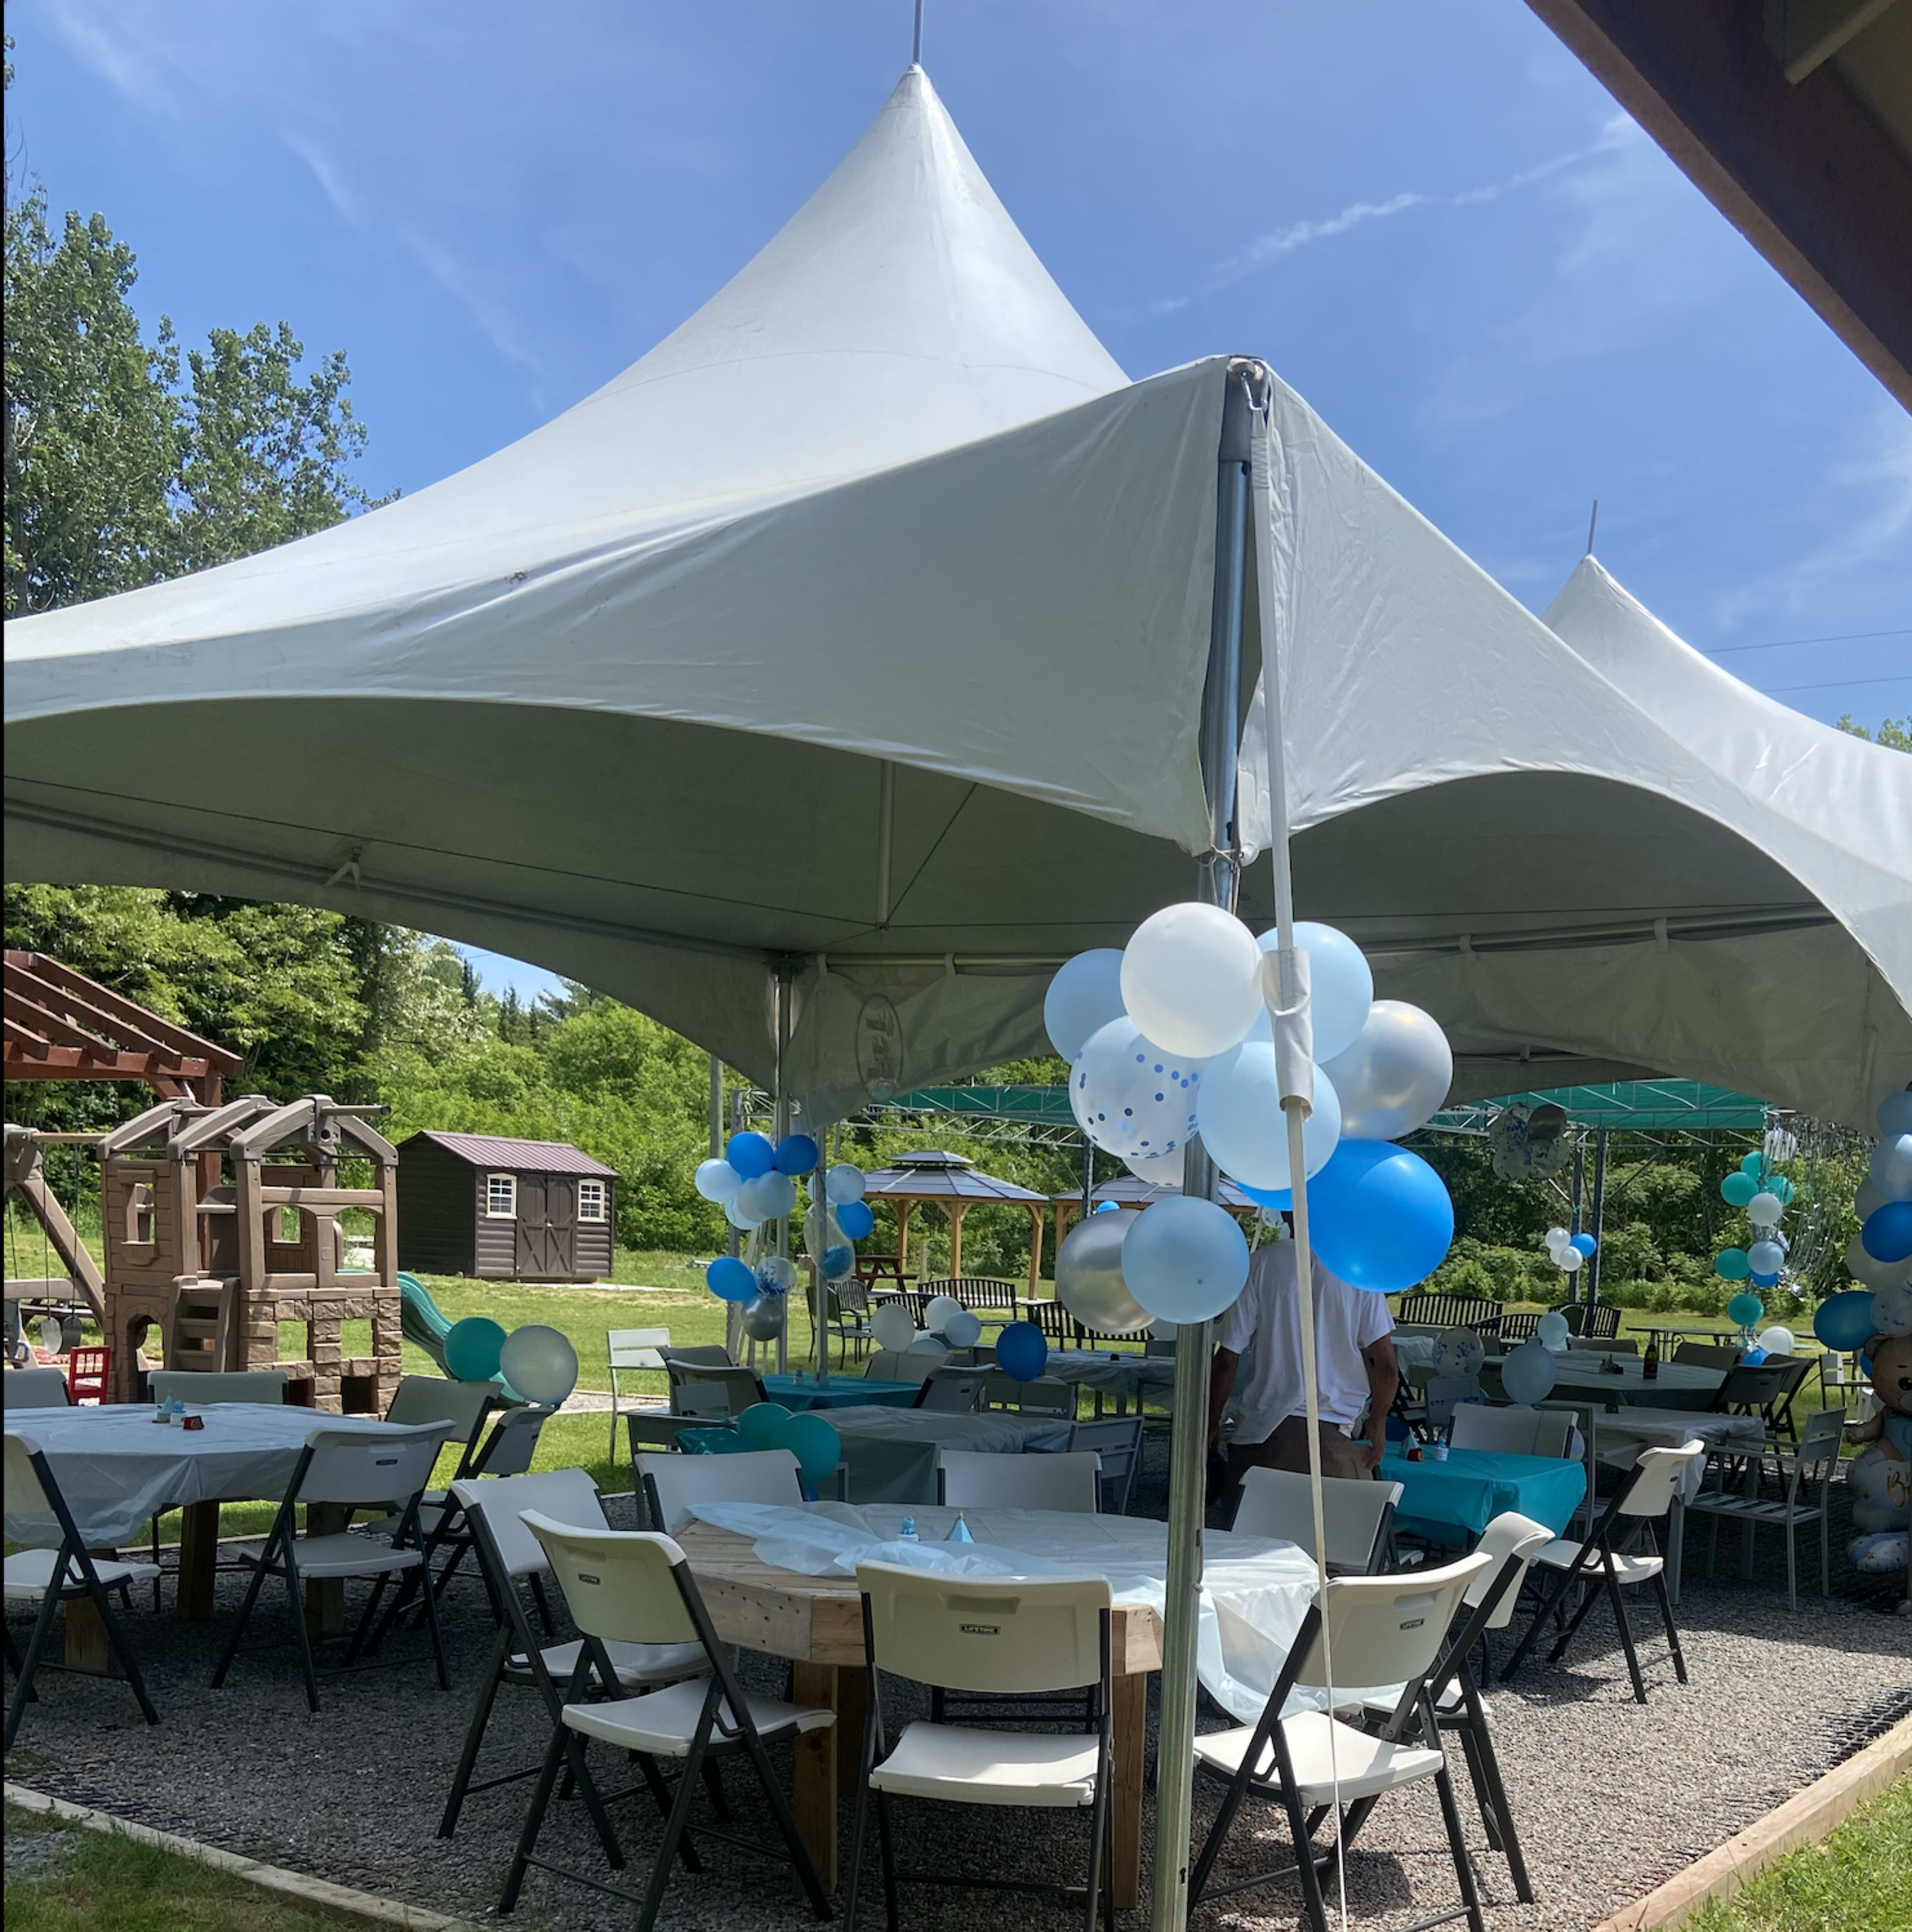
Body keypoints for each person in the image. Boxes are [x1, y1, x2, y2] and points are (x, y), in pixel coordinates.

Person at [1207, 1224, 1398, 1488]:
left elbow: (1227, 1360)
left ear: (1285, 1212)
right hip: (1332, 1440)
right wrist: (1378, 1423)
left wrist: (1212, 1420)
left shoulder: (1257, 1265)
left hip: (1264, 1436)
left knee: (1249, 1527)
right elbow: (1387, 1367)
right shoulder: (1357, 1272)